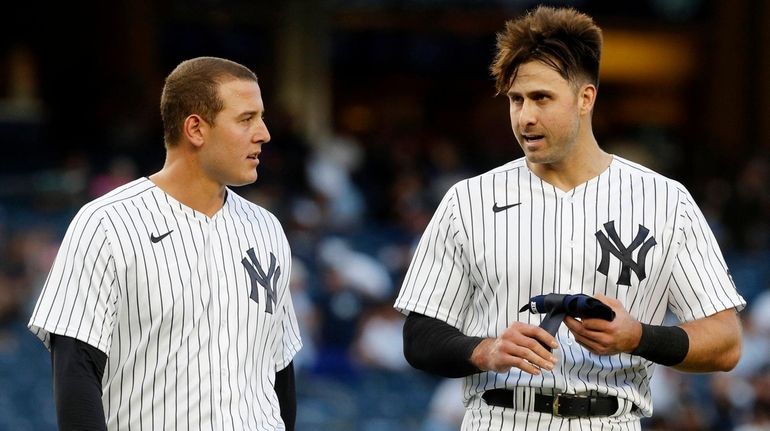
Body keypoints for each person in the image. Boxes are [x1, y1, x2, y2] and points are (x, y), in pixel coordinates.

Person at [394, 6, 745, 430]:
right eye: (516, 100)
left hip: (608, 418)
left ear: (585, 98)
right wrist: (483, 349)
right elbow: (419, 337)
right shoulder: (468, 200)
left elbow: (726, 342)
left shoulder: (666, 200)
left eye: (542, 98)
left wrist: (640, 337)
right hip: (499, 416)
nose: (525, 117)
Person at [28, 56, 302, 430]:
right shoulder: (108, 223)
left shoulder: (267, 228)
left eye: (261, 117)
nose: (264, 133)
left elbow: (280, 373)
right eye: (246, 119)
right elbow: (76, 373)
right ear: (195, 128)